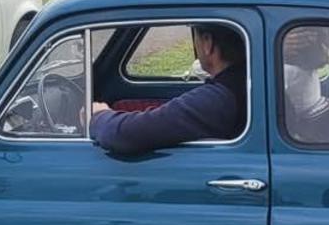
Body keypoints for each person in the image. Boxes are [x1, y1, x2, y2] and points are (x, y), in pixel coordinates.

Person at [88, 23, 245, 153]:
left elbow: (123, 135)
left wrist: (98, 116)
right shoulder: (241, 82)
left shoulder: (219, 99)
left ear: (207, 42)